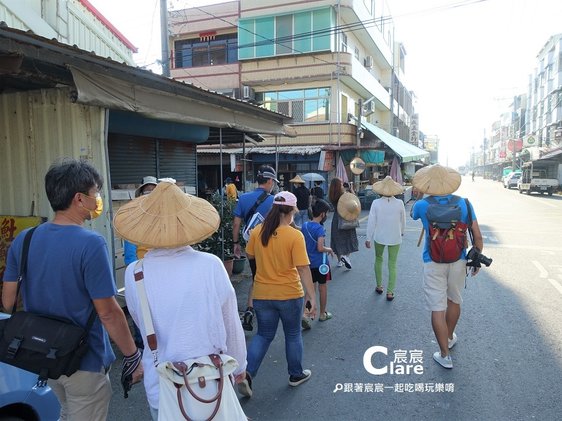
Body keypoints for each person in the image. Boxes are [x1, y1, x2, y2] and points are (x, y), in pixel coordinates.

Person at [2, 158, 143, 420]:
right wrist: (132, 355)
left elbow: (8, 301)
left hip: (42, 356)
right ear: (79, 199)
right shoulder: (91, 243)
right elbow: (108, 312)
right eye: (95, 192)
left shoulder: (25, 238)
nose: (98, 198)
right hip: (83, 360)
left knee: (66, 412)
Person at [116, 181, 248, 419]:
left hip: (163, 385)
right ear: (188, 223)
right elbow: (230, 323)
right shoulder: (211, 265)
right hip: (212, 381)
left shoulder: (135, 272)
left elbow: (142, 324)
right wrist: (239, 366)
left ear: (147, 227)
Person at [242, 191, 317, 395]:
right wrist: (311, 296)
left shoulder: (258, 231)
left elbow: (250, 254)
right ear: (292, 210)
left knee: (264, 335)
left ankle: (247, 374)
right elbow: (302, 268)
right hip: (289, 294)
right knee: (292, 334)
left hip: (262, 294)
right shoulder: (294, 235)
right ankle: (295, 374)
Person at [411, 164, 484, 369]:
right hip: (458, 260)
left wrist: (422, 194)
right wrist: (476, 259)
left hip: (432, 261)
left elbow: (414, 216)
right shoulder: (464, 205)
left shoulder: (422, 205)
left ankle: (444, 355)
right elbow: (477, 236)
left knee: (437, 308)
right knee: (454, 300)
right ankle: (450, 336)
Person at [232, 165, 278, 331]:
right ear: (270, 181)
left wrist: (236, 244)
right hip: (271, 244)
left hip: (250, 245)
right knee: (272, 275)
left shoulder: (243, 198)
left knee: (256, 276)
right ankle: (269, 309)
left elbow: (236, 223)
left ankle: (250, 310)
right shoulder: (275, 200)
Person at [365, 176, 406, 301]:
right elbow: (403, 221)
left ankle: (379, 286)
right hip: (395, 236)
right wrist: (402, 232)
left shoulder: (376, 203)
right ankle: (390, 292)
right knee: (392, 264)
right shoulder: (399, 203)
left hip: (379, 237)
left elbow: (371, 221)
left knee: (378, 259)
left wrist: (368, 238)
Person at [301, 199, 334, 325]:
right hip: (321, 264)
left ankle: (306, 314)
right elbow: (320, 247)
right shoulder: (320, 229)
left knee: (310, 290)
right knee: (322, 288)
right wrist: (329, 249)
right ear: (322, 214)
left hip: (308, 263)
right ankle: (322, 314)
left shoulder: (305, 226)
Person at [124, 176, 157, 268]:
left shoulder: (165, 217)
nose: (150, 196)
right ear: (141, 196)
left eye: (154, 192)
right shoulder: (133, 219)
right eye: (147, 192)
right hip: (142, 268)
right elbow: (130, 257)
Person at [328, 177, 359, 269]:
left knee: (337, 240)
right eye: (341, 184)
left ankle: (339, 261)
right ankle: (346, 257)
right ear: (339, 186)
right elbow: (355, 202)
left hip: (336, 219)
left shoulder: (332, 196)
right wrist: (351, 189)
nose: (342, 185)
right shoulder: (344, 195)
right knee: (349, 238)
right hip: (346, 217)